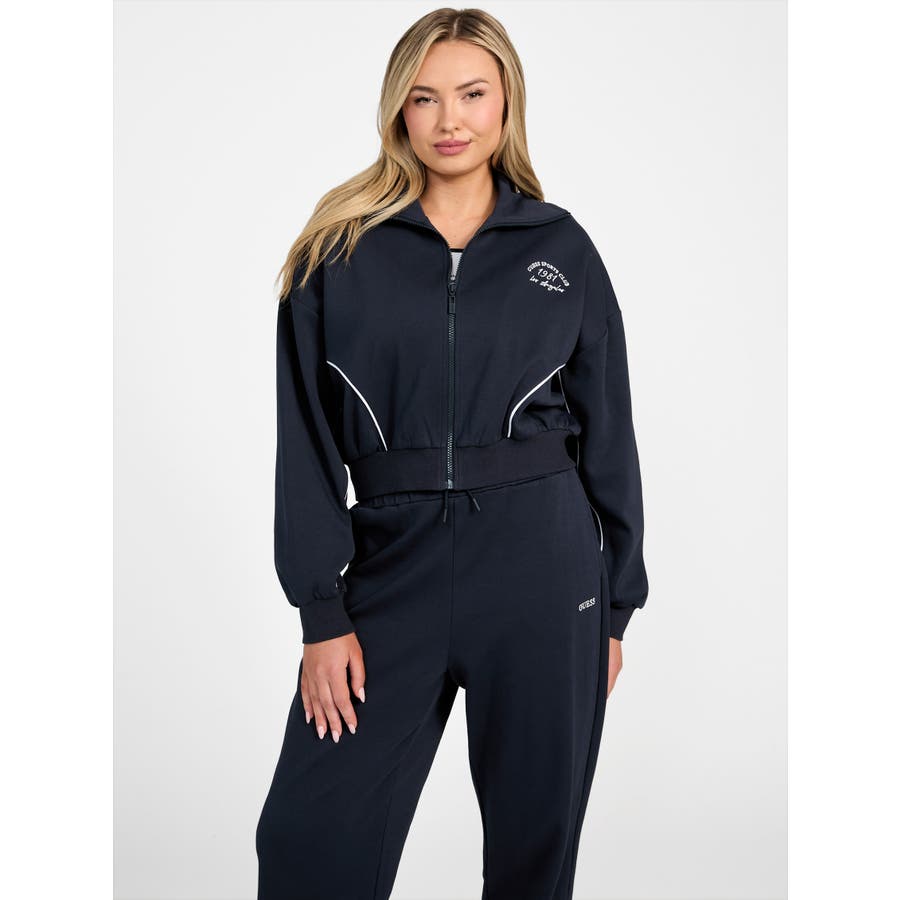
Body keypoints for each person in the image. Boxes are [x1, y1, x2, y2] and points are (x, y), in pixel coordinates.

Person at [255, 8, 649, 900]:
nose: (450, 121)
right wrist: (321, 613)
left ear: (507, 102)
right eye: (425, 98)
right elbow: (304, 441)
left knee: (533, 854)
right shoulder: (337, 251)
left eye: (472, 94)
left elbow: (610, 436)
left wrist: (616, 607)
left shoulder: (562, 248)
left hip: (544, 571)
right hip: (392, 569)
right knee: (308, 844)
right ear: (399, 109)